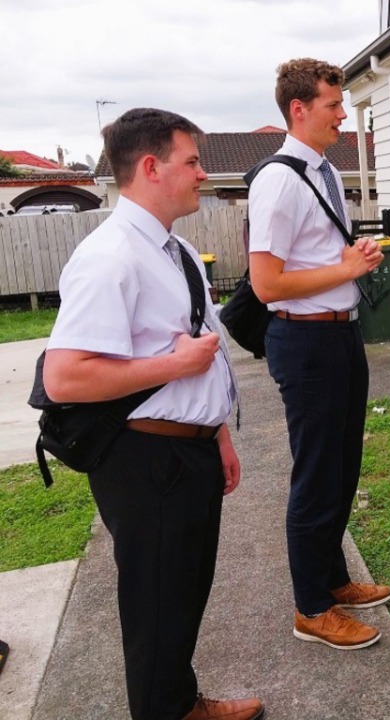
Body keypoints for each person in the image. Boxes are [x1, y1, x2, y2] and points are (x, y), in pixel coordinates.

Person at [43, 108, 263, 720]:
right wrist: (173, 369)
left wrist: (216, 432)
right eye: (191, 161)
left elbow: (198, 346)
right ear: (150, 166)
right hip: (144, 459)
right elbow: (65, 377)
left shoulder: (177, 250)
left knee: (182, 595)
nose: (202, 174)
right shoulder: (109, 257)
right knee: (156, 605)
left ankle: (179, 702)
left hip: (185, 447)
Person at [248, 59, 390, 649]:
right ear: (299, 110)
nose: (343, 114)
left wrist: (349, 257)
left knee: (341, 468)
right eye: (334, 105)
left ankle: (332, 582)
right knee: (315, 475)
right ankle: (310, 607)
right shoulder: (279, 180)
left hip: (339, 334)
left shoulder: (324, 169)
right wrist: (344, 268)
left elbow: (315, 257)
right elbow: (267, 285)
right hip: (305, 342)